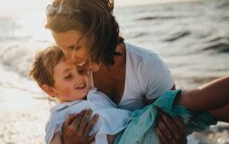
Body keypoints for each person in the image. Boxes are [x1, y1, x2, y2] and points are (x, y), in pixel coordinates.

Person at [45, 0, 185, 144]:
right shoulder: (75, 75)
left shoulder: (147, 66)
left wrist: (178, 139)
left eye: (74, 47)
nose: (69, 59)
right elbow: (61, 117)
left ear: (99, 34)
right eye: (62, 49)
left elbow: (172, 128)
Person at [29, 46, 229, 144]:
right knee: (187, 101)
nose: (80, 78)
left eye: (80, 71)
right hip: (128, 138)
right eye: (68, 76)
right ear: (50, 90)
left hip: (139, 129)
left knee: (207, 112)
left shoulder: (94, 94)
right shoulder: (58, 117)